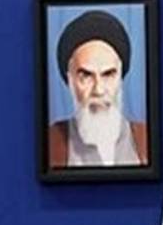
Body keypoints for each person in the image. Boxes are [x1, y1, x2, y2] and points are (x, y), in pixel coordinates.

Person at [49, 10, 148, 168]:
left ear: (121, 77)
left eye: (108, 74)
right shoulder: (51, 143)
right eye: (86, 76)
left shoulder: (146, 139)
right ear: (69, 80)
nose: (99, 90)